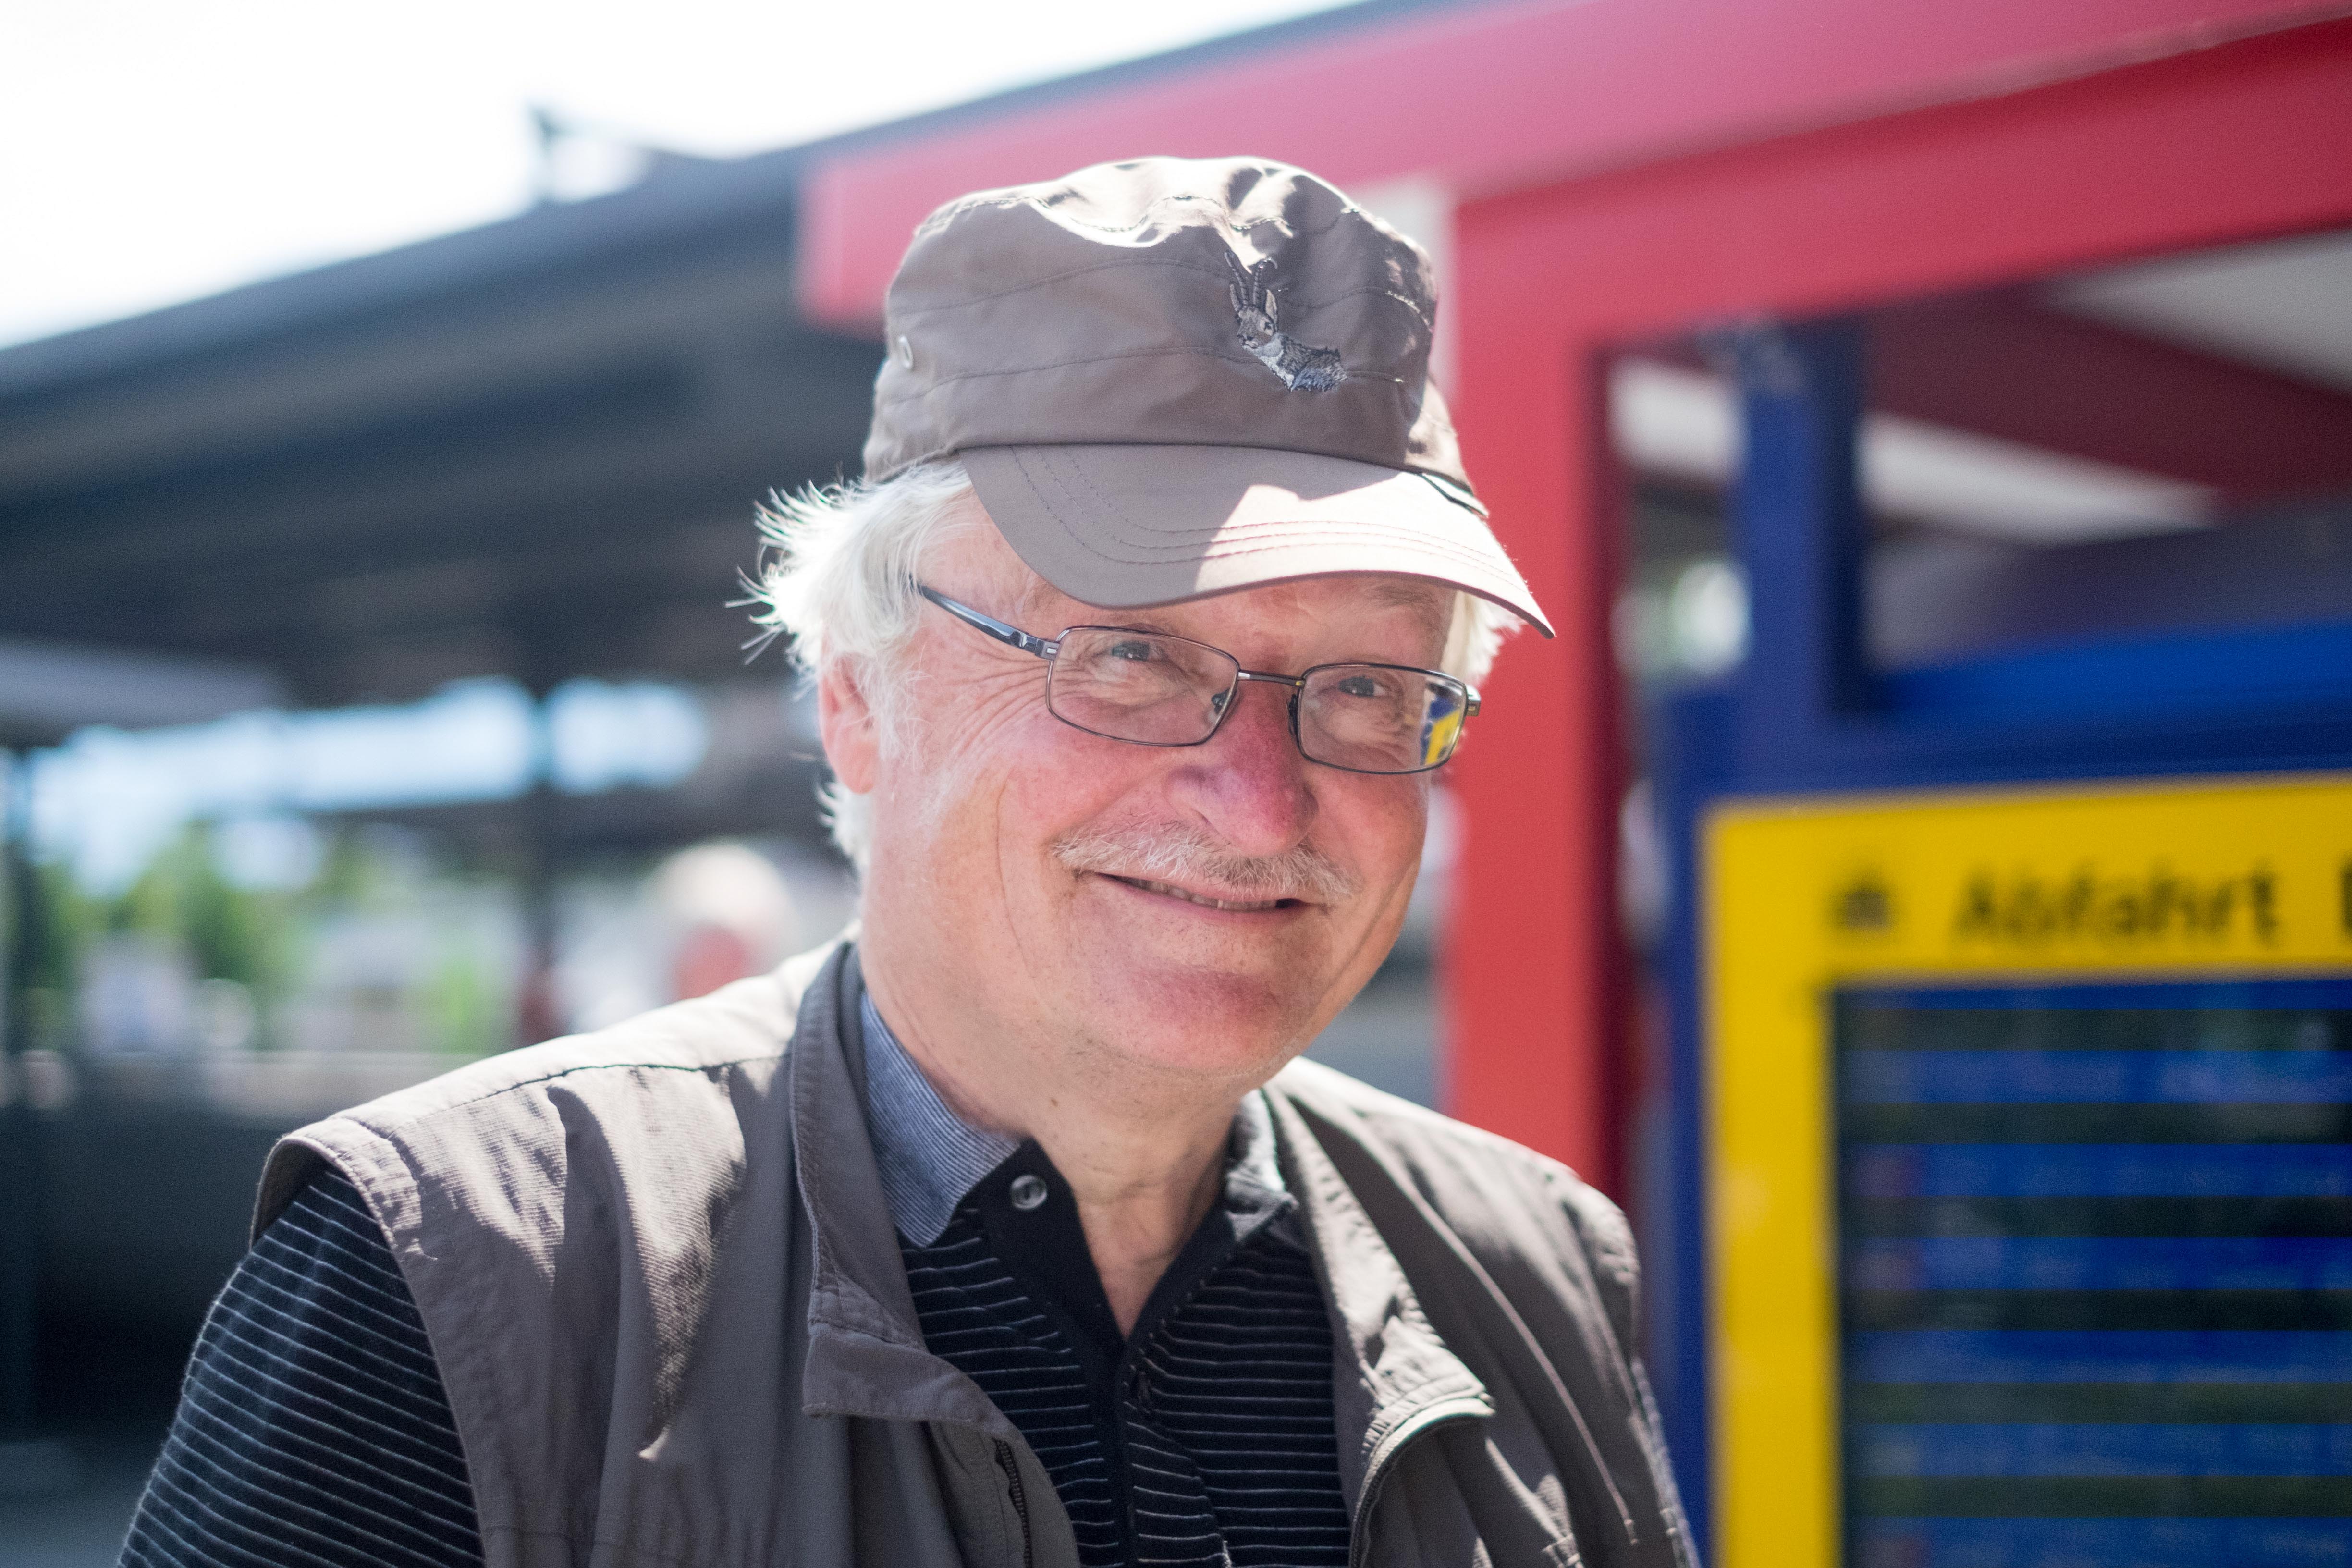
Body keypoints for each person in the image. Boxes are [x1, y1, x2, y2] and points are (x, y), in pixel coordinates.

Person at [122, 156, 1693, 1568]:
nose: (1257, 800)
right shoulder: (455, 1284)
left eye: (1365, 685)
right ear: (858, 701)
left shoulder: (1535, 1267)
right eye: (1131, 655)